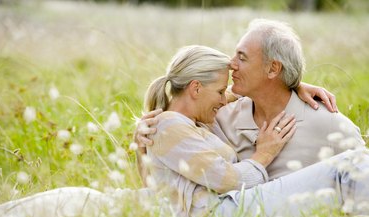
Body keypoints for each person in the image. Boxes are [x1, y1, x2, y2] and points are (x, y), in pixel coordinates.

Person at [136, 45, 369, 217]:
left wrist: (292, 84)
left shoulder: (187, 121)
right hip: (222, 213)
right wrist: (264, 154)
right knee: (351, 165)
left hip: (227, 210)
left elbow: (238, 93)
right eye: (219, 91)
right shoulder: (168, 125)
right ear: (196, 88)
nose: (222, 99)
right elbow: (229, 181)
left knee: (340, 189)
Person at [135, 19, 365, 182]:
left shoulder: (330, 125)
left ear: (273, 69)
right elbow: (168, 172)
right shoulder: (219, 115)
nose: (231, 63)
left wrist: (294, 84)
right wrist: (145, 142)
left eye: (242, 57)